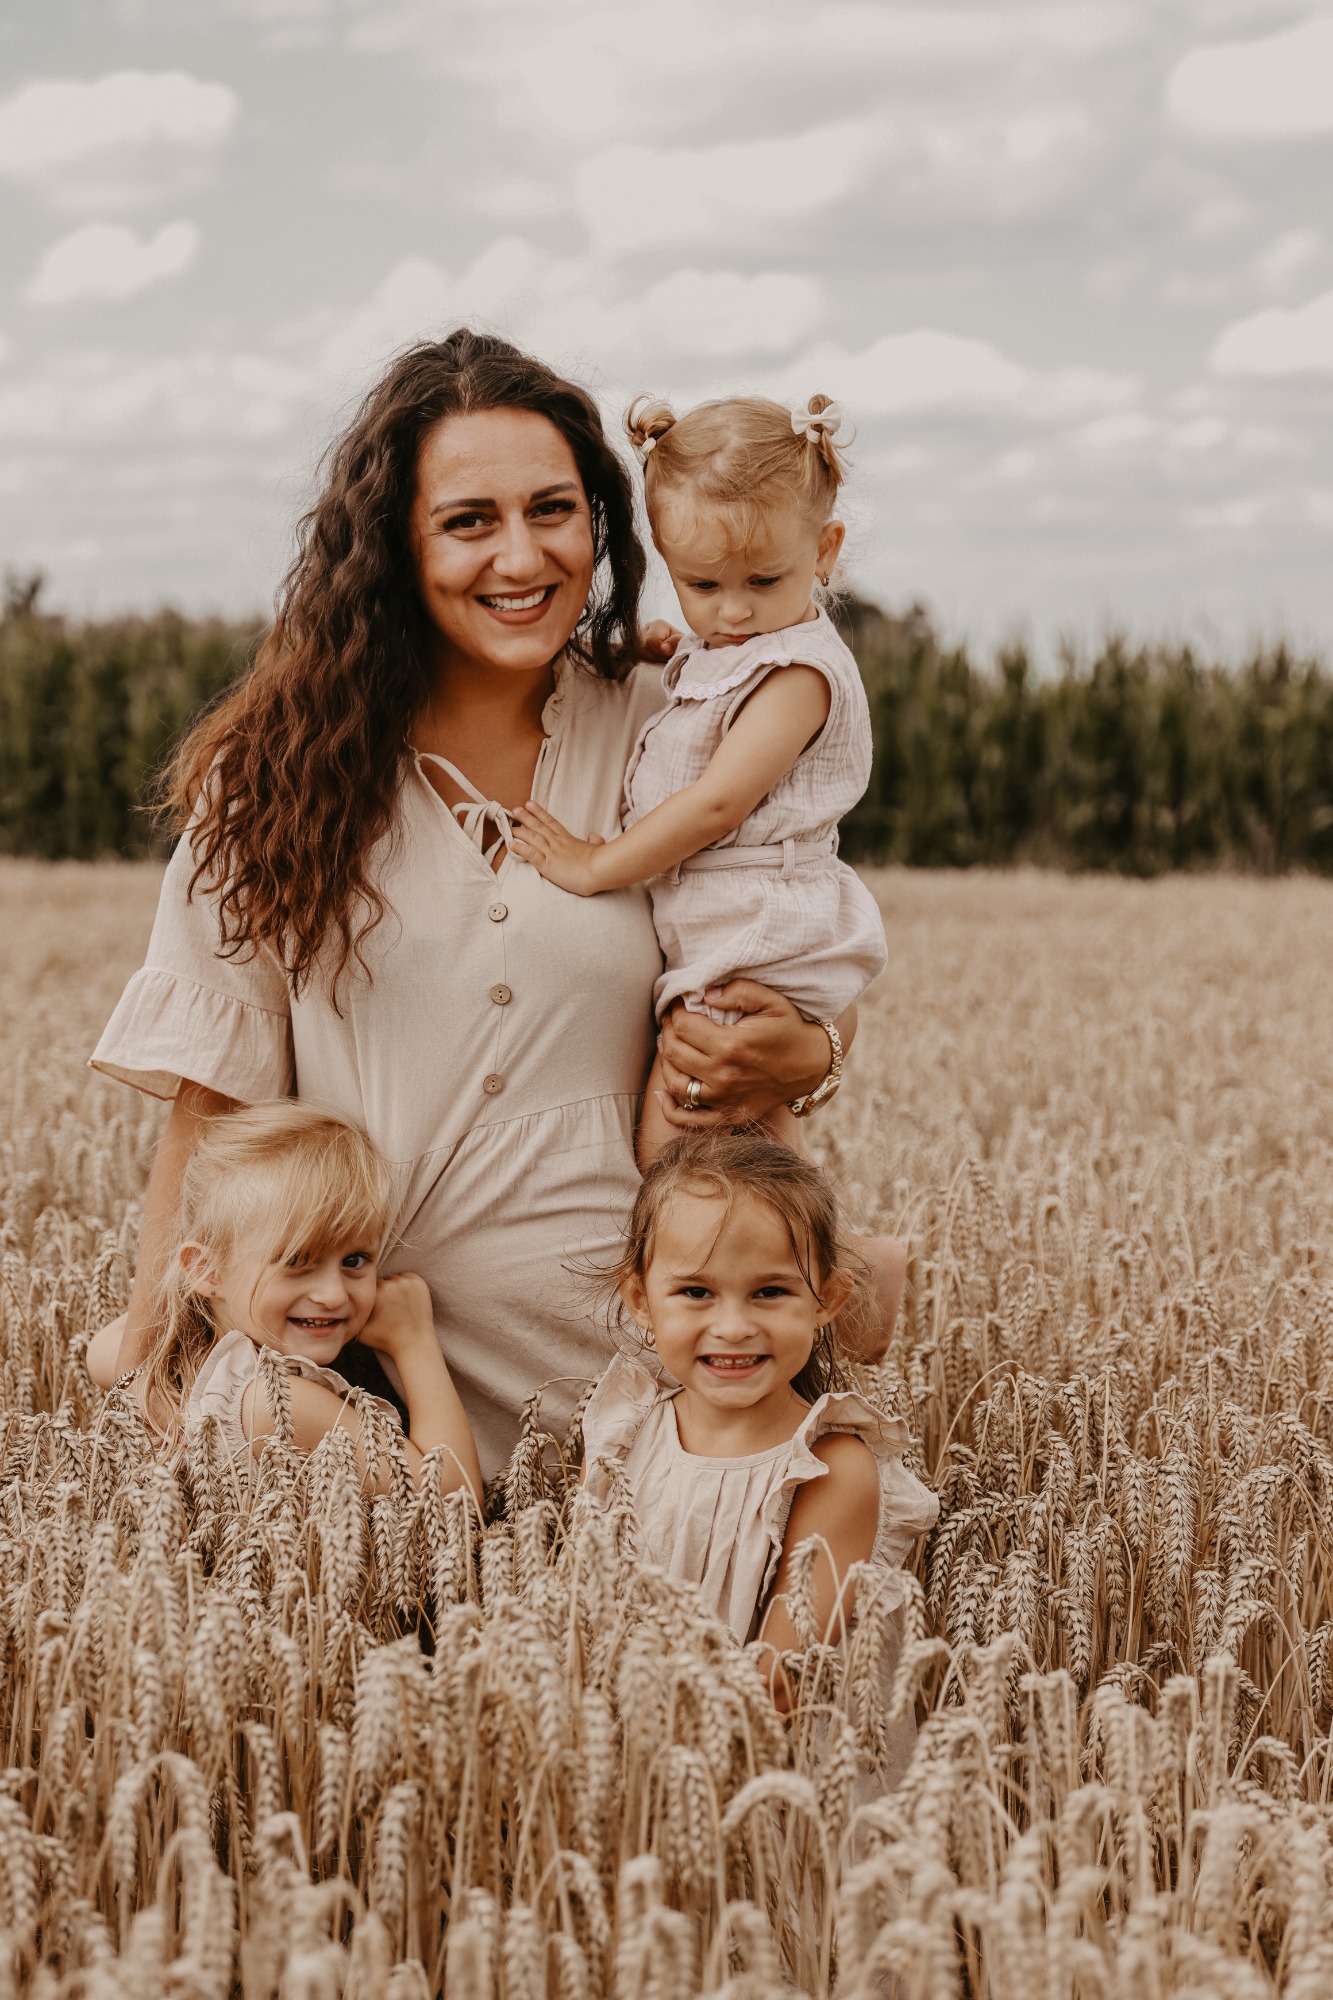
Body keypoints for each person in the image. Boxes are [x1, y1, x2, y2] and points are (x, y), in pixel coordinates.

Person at [90, 330, 874, 1484]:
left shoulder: (675, 724)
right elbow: (212, 1101)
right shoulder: (275, 777)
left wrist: (812, 1051)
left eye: (552, 510)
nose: (520, 554)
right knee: (260, 1435)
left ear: (600, 524)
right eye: (468, 520)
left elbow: (784, 928)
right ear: (394, 544)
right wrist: (154, 1344)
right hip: (360, 1363)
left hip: (639, 1366)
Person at [512, 392, 886, 1169]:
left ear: (824, 549)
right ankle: (807, 1242)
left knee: (678, 1140)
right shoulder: (734, 650)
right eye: (703, 587)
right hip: (724, 926)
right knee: (746, 1137)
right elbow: (712, 681)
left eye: (762, 580)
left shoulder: (798, 675)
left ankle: (804, 1245)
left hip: (750, 933)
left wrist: (593, 864)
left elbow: (716, 803)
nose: (734, 613)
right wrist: (679, 650)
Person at [580, 1131, 937, 1710]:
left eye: (769, 1291)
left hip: (766, 1750)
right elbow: (584, 1611)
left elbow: (780, 1682)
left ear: (827, 1299)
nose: (733, 1327)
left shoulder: (830, 1469)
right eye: (696, 1291)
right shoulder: (625, 1432)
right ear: (641, 1300)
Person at [88, 1100, 482, 1499]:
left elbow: (100, 1350)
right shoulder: (276, 1404)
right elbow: (453, 1497)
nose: (333, 1296)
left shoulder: (187, 1367)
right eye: (296, 1261)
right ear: (207, 1270)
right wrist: (414, 1341)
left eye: (354, 1260)